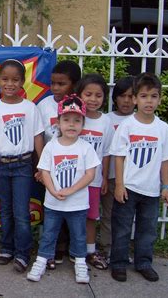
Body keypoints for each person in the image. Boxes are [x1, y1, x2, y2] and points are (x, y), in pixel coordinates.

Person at [110, 72, 168, 282]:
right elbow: (118, 157)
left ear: (160, 99)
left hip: (151, 189)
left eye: (154, 96)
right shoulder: (127, 126)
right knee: (121, 229)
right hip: (129, 187)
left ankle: (144, 262)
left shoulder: (163, 129)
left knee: (147, 230)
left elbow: (166, 160)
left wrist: (166, 186)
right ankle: (118, 263)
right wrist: (119, 185)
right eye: (144, 96)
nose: (149, 101)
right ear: (135, 98)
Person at [0, 59, 44, 273]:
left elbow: (37, 137)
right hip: (1, 165)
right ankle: (6, 248)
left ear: (23, 82)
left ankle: (23, 253)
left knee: (21, 212)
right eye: (5, 79)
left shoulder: (30, 108)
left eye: (15, 80)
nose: (10, 84)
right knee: (5, 211)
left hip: (23, 165)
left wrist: (41, 166)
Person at [27, 94, 100, 283]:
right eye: (66, 120)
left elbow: (90, 175)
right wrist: (51, 190)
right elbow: (44, 171)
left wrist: (70, 190)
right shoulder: (51, 146)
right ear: (58, 122)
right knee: (49, 234)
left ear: (83, 124)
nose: (71, 125)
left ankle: (80, 263)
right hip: (53, 203)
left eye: (77, 121)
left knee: (78, 235)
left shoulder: (86, 148)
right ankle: (42, 260)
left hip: (77, 204)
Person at [37, 60, 81, 268]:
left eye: (61, 84)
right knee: (52, 210)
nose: (55, 88)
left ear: (74, 84)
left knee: (74, 210)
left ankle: (75, 250)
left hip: (75, 169)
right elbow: (38, 137)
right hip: (50, 168)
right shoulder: (44, 105)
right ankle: (53, 249)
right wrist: (39, 167)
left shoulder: (79, 108)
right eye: (53, 83)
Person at [76, 74, 114, 270]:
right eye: (88, 94)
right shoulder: (75, 118)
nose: (93, 99)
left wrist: (105, 177)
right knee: (72, 216)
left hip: (94, 180)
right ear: (79, 94)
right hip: (72, 180)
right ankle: (74, 251)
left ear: (104, 98)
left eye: (98, 95)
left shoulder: (105, 122)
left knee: (91, 216)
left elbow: (107, 152)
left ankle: (90, 251)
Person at [100, 76, 134, 260]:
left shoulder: (139, 120)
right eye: (122, 96)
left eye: (131, 96)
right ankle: (106, 247)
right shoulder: (107, 119)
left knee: (123, 217)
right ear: (115, 98)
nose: (126, 101)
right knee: (107, 214)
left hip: (131, 177)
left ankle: (120, 249)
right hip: (109, 175)